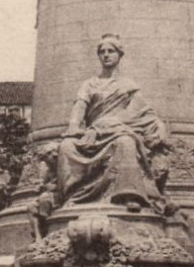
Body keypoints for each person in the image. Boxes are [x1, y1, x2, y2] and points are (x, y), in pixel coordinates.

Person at [56, 34, 168, 210]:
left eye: (111, 51)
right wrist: (74, 126)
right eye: (102, 52)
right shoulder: (90, 84)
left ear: (119, 55)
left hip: (116, 131)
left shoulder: (128, 85)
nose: (106, 55)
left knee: (126, 142)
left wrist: (104, 127)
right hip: (92, 134)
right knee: (66, 146)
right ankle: (72, 196)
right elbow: (79, 108)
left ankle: (129, 194)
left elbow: (141, 112)